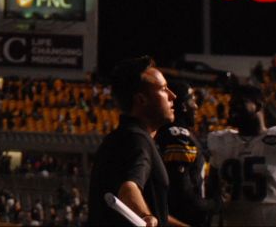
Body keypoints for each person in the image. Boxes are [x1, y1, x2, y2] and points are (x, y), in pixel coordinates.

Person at [206, 84, 276, 226]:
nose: (232, 109)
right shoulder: (220, 142)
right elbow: (211, 198)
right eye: (231, 105)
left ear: (258, 106)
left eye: (239, 104)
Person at [87, 56, 177, 227]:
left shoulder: (122, 138)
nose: (172, 95)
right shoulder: (136, 139)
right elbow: (128, 187)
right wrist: (144, 216)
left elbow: (158, 216)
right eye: (164, 89)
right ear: (141, 99)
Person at [155, 79, 214, 227]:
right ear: (183, 106)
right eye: (192, 101)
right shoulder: (179, 136)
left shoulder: (167, 132)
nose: (196, 106)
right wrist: (214, 205)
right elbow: (182, 193)